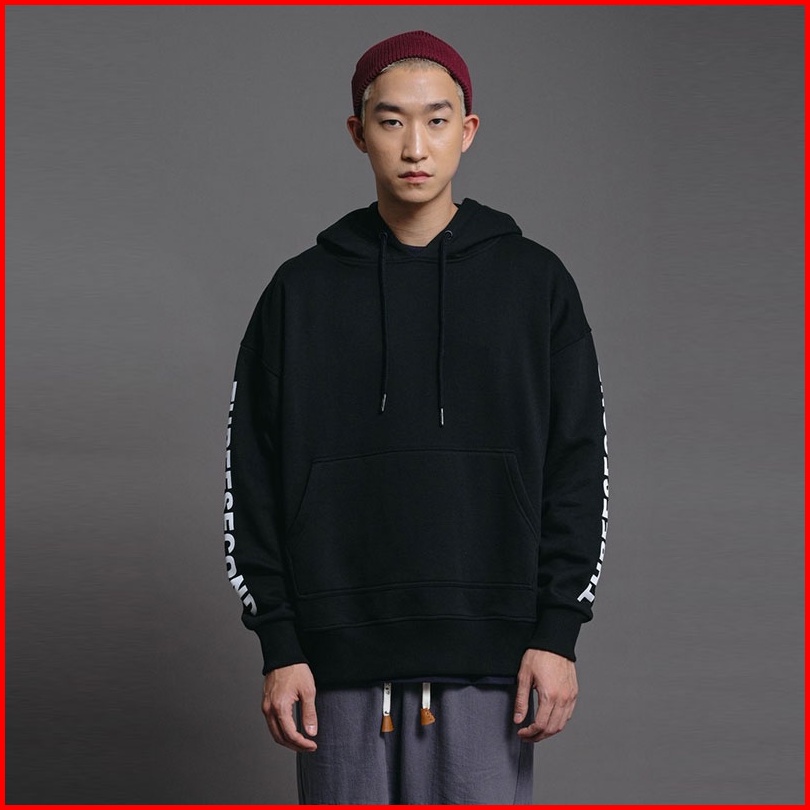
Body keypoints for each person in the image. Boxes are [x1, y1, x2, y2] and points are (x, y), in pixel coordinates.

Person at [223, 29, 609, 805]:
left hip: (491, 658)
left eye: (436, 120)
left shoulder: (536, 284)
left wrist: (558, 632)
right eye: (391, 120)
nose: (414, 146)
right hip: (333, 664)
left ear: (468, 130)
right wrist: (280, 643)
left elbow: (579, 465)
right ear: (357, 131)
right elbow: (250, 478)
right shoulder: (298, 293)